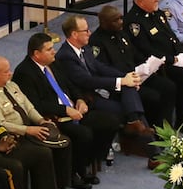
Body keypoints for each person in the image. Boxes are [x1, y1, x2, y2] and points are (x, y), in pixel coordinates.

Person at [12, 31, 116, 181]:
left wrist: (79, 99)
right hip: (56, 117)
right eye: (48, 49)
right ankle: (75, 173)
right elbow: (36, 105)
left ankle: (88, 160)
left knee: (110, 121)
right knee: (83, 134)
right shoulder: (24, 72)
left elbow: (69, 85)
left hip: (74, 109)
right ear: (36, 54)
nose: (53, 51)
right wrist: (65, 110)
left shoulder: (53, 63)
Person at [0, 55, 81, 189]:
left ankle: (59, 187)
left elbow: (28, 107)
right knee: (43, 153)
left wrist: (40, 121)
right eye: (6, 72)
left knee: (63, 143)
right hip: (15, 136)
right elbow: (0, 123)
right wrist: (28, 130)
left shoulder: (12, 85)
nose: (10, 73)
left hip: (31, 127)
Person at [52, 13, 155, 141]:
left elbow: (100, 67)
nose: (89, 33)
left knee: (130, 89)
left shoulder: (85, 48)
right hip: (88, 97)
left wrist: (126, 77)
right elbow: (87, 81)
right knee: (129, 108)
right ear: (74, 34)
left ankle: (136, 126)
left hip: (101, 90)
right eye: (86, 30)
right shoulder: (65, 56)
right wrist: (121, 81)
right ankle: (149, 144)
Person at [89, 5, 181, 130]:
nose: (121, 22)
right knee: (152, 96)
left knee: (168, 87)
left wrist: (148, 64)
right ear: (104, 22)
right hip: (122, 83)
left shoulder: (121, 33)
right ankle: (151, 131)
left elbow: (134, 53)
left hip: (138, 75)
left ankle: (166, 129)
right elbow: (102, 69)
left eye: (121, 18)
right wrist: (127, 78)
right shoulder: (97, 41)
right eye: (115, 20)